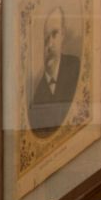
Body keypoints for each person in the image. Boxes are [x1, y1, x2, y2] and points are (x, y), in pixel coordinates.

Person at [25, 8, 82, 139]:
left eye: (54, 34)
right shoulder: (37, 99)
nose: (49, 45)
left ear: (63, 35)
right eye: (45, 40)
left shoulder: (75, 66)